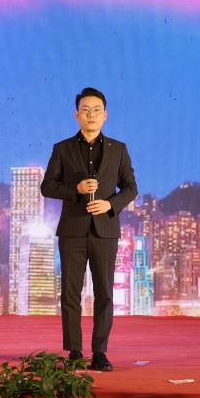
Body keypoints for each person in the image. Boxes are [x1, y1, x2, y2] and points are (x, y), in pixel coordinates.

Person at [40, 87, 137, 371]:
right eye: (85, 110)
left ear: (105, 115)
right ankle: (74, 351)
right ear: (77, 115)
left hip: (105, 230)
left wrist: (109, 204)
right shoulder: (62, 148)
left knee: (105, 293)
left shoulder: (119, 149)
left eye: (96, 110)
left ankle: (100, 352)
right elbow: (47, 186)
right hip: (72, 230)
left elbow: (131, 188)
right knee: (70, 293)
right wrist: (77, 189)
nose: (91, 114)